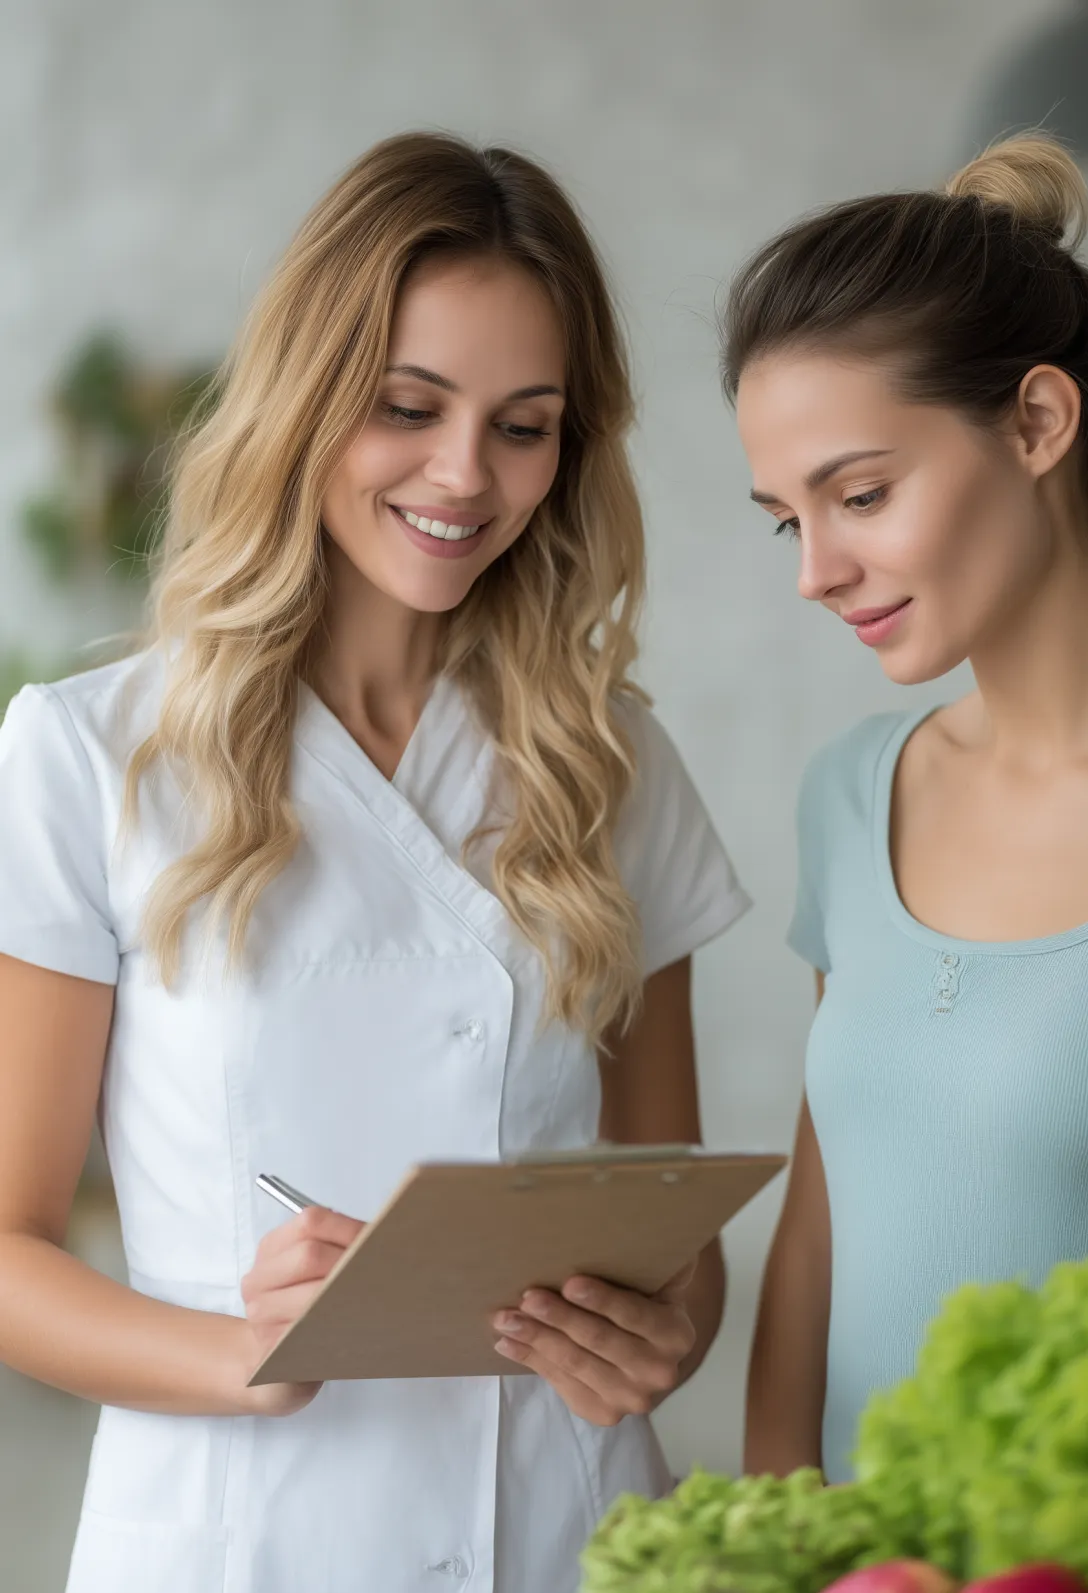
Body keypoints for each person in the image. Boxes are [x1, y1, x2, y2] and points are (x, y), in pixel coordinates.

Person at [0, 132, 750, 1593]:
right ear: (306, 398)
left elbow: (676, 1234)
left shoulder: (611, 762)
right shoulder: (90, 759)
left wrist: (669, 1332)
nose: (463, 475)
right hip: (237, 1538)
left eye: (525, 426)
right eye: (409, 406)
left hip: (561, 1527)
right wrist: (242, 1351)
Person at [724, 135, 1088, 1485]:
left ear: (1038, 424)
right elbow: (823, 1220)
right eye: (785, 520)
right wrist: (780, 1533)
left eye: (861, 495)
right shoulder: (854, 797)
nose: (818, 570)